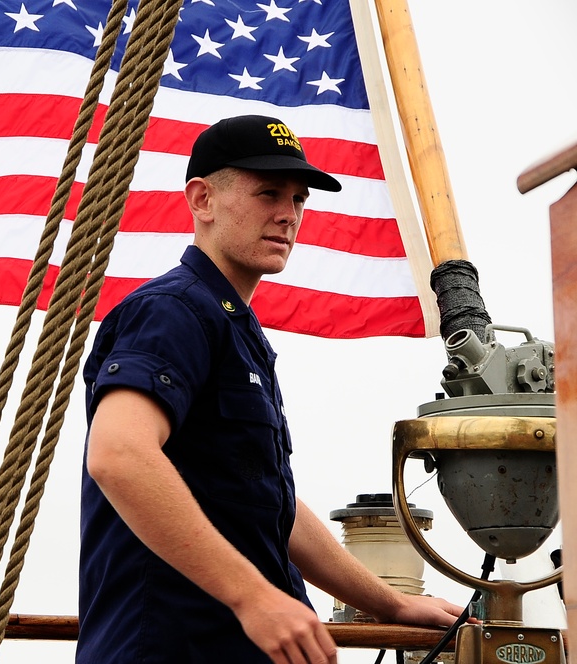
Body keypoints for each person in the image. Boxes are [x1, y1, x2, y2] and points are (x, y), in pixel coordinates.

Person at [77, 115, 465, 663]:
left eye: (298, 199)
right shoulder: (173, 312)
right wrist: (254, 597)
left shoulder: (232, 326)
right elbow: (119, 455)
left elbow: (267, 506)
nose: (288, 215)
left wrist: (392, 605)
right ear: (202, 199)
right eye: (267, 193)